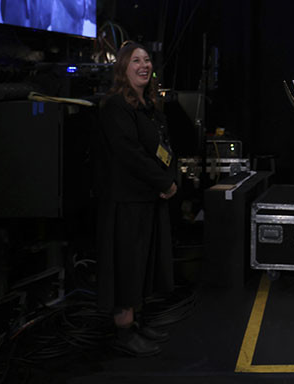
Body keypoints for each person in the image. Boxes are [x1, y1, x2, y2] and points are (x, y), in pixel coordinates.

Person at [98, 42, 178, 356]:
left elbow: (161, 148)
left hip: (148, 198)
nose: (143, 65)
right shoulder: (115, 105)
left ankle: (137, 321)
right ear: (122, 68)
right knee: (125, 266)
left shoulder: (147, 106)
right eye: (135, 61)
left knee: (141, 265)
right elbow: (129, 154)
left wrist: (170, 179)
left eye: (146, 60)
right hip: (126, 202)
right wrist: (163, 182)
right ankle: (124, 332)